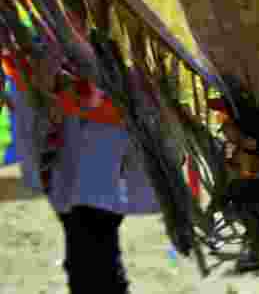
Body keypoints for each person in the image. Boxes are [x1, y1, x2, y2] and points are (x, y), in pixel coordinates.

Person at [4, 50, 159, 294]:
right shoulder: (48, 41)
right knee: (85, 255)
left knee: (90, 255)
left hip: (98, 165)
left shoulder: (109, 52)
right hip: (73, 166)